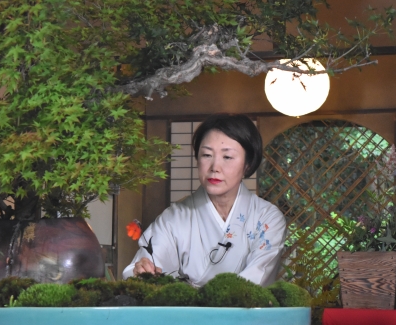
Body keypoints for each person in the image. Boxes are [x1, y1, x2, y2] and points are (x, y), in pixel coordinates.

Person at [122, 113, 287, 287]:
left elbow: (256, 279)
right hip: (184, 305)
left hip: (243, 305)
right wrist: (142, 270)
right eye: (207, 155)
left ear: (248, 164)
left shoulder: (267, 218)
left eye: (227, 157)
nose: (215, 167)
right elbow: (142, 267)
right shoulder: (174, 218)